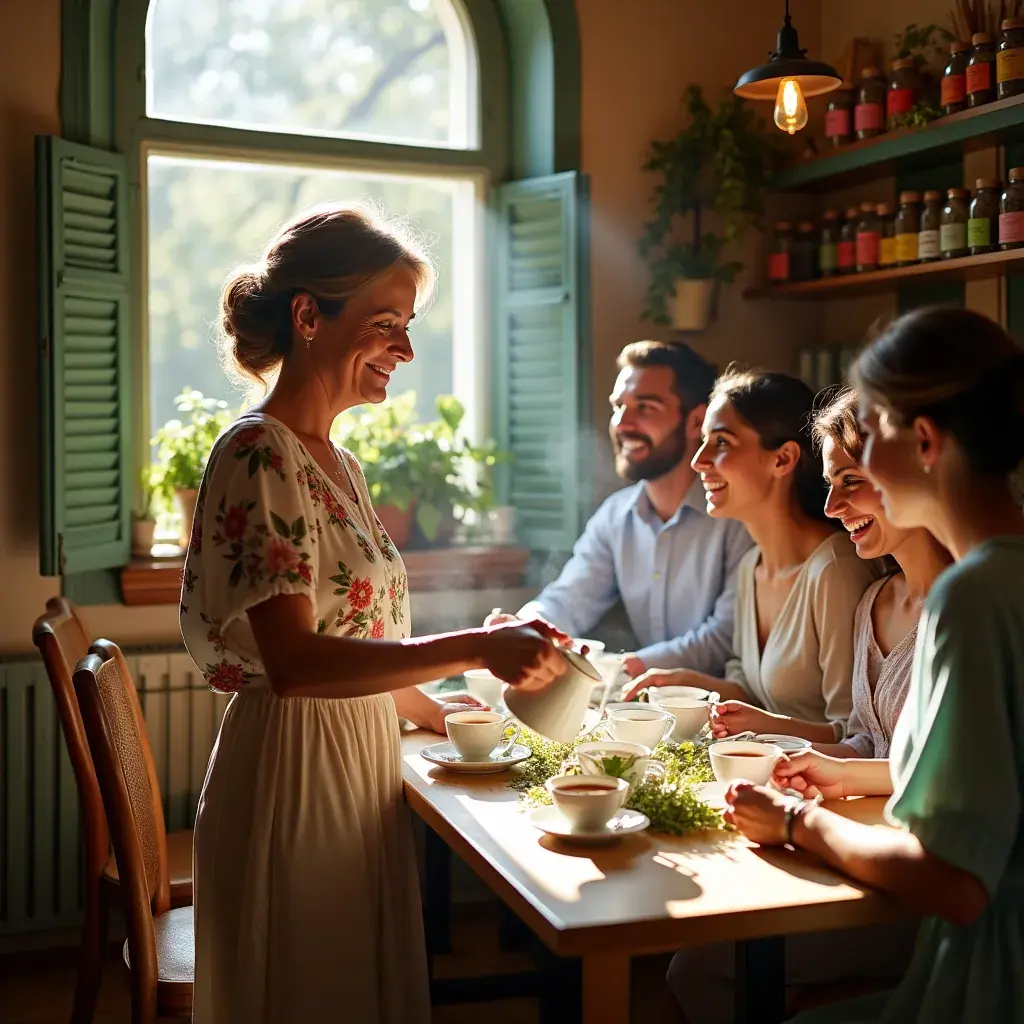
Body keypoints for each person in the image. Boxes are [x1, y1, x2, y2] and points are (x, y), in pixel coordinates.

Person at [179, 205, 572, 1024]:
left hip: (355, 757)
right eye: (386, 323)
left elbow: (357, 639)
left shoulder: (340, 464)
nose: (406, 350)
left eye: (409, 325)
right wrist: (475, 645)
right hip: (294, 771)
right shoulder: (257, 453)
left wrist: (441, 713)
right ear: (308, 316)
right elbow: (297, 664)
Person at [724, 307, 1024, 1024]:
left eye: (875, 433)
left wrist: (797, 822)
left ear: (922, 440)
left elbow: (953, 883)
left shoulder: (971, 597)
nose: (839, 495)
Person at [625, 370, 880, 741]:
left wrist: (763, 726)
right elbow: (752, 692)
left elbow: (857, 735)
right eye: (702, 441)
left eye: (722, 443)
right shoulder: (752, 566)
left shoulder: (834, 570)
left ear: (783, 460)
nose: (698, 461)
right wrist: (689, 683)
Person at [488, 341, 753, 678]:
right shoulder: (615, 516)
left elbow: (725, 637)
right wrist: (523, 625)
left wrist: (627, 667)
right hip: (647, 710)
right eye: (618, 406)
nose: (622, 424)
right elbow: (569, 598)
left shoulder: (736, 518)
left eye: (645, 407)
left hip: (726, 712)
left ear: (695, 421)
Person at [710, 388, 951, 756]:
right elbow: (863, 744)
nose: (831, 507)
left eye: (851, 480)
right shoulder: (874, 601)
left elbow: (939, 774)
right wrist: (781, 759)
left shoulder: (969, 605)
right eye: (830, 485)